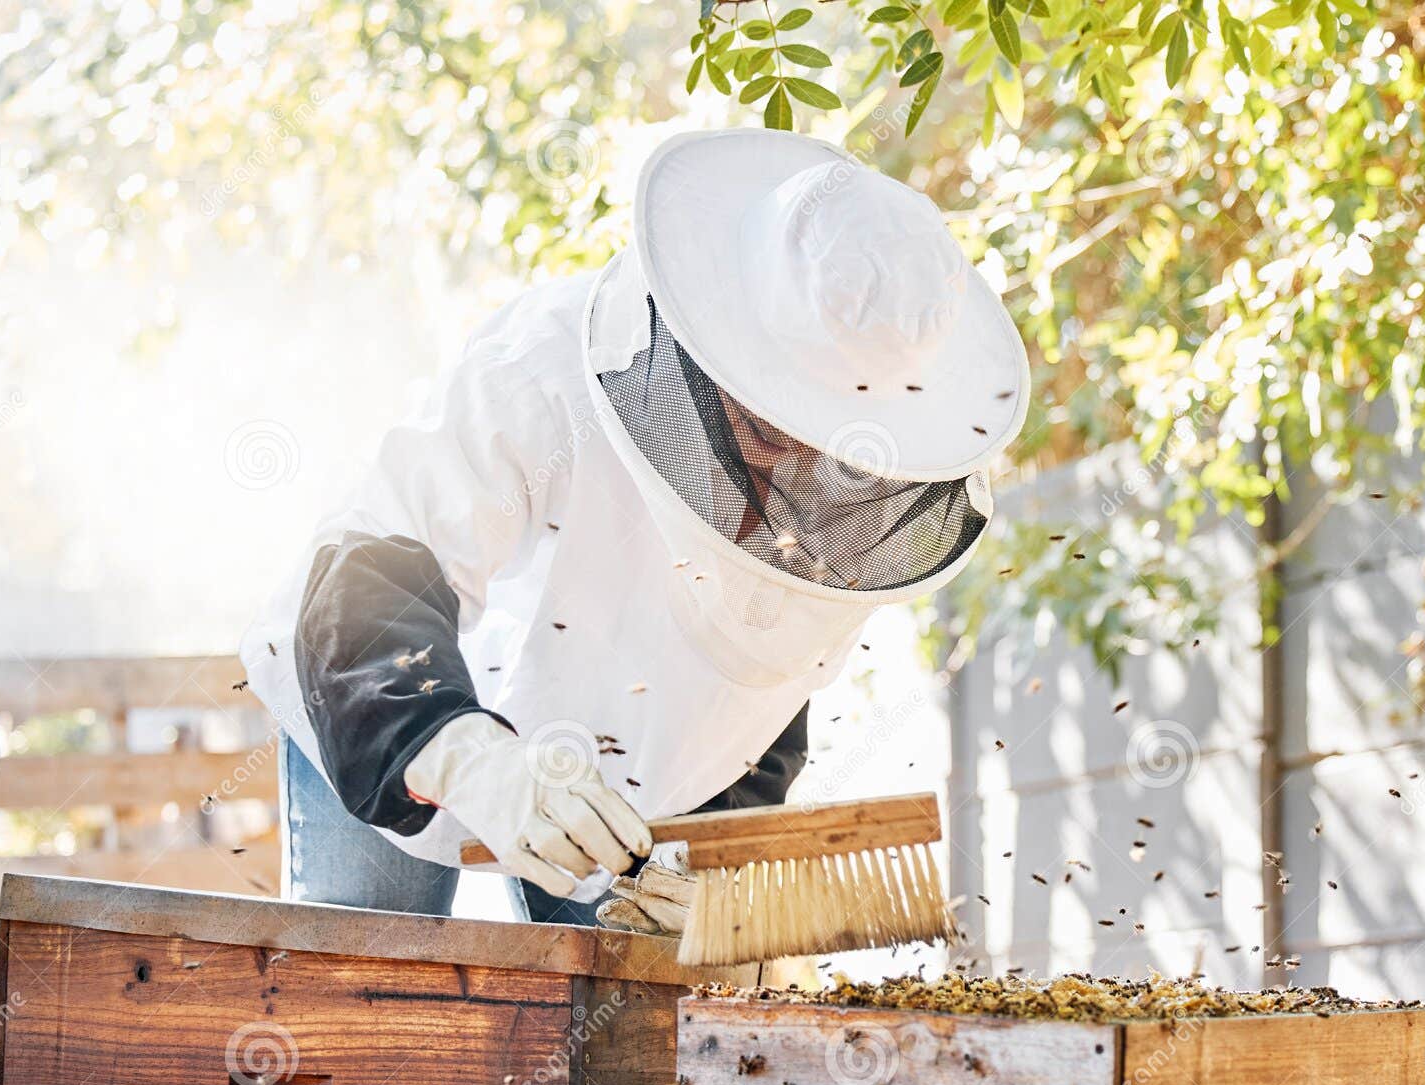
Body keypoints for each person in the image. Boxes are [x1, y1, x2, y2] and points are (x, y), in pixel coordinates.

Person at [241, 127, 1028, 932]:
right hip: (396, 702)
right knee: (367, 976)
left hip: (628, 786)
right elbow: (376, 565)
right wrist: (464, 755)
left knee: (620, 1025)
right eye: (784, 402)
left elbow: (762, 693)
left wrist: (717, 866)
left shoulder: (856, 501)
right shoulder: (542, 372)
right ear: (729, 323)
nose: (799, 443)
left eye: (831, 417)